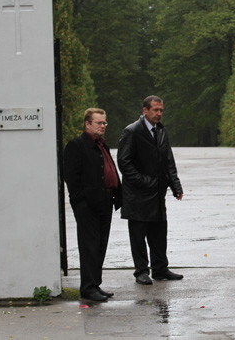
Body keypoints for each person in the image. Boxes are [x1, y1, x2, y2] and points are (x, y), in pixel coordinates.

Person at [117, 95, 184, 285]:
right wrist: (144, 181)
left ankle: (160, 269)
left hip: (157, 193)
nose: (159, 113)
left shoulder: (161, 131)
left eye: (161, 110)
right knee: (138, 234)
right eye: (155, 110)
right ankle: (141, 271)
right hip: (137, 194)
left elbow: (168, 161)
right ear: (145, 110)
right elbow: (124, 162)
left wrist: (175, 186)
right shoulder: (132, 131)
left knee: (159, 232)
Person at [64, 108, 122, 302]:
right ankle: (88, 288)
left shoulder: (101, 145)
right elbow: (71, 177)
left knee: (100, 245)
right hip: (88, 205)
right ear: (87, 124)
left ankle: (95, 284)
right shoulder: (77, 145)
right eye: (99, 123)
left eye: (104, 123)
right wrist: (81, 201)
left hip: (105, 201)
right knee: (89, 246)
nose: (103, 126)